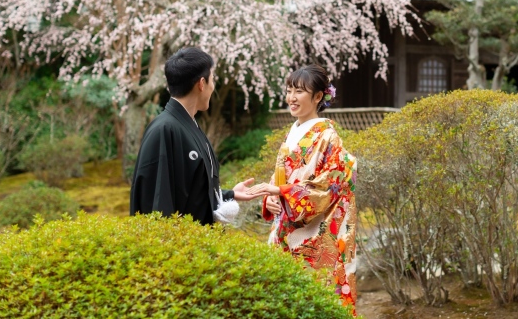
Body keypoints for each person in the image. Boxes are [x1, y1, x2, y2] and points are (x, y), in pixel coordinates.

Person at [246, 65, 358, 314]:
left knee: (312, 297)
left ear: (318, 97)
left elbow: (331, 184)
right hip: (286, 223)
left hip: (313, 230)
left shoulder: (328, 135)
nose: (291, 97)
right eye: (289, 90)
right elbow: (280, 177)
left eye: (299, 91)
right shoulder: (294, 131)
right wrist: (272, 200)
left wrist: (283, 193)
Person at [130, 47, 258, 225]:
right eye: (213, 80)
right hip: (181, 248)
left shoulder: (187, 124)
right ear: (202, 83)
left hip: (198, 243)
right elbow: (158, 202)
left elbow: (191, 190)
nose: (213, 87)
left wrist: (230, 194)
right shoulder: (164, 129)